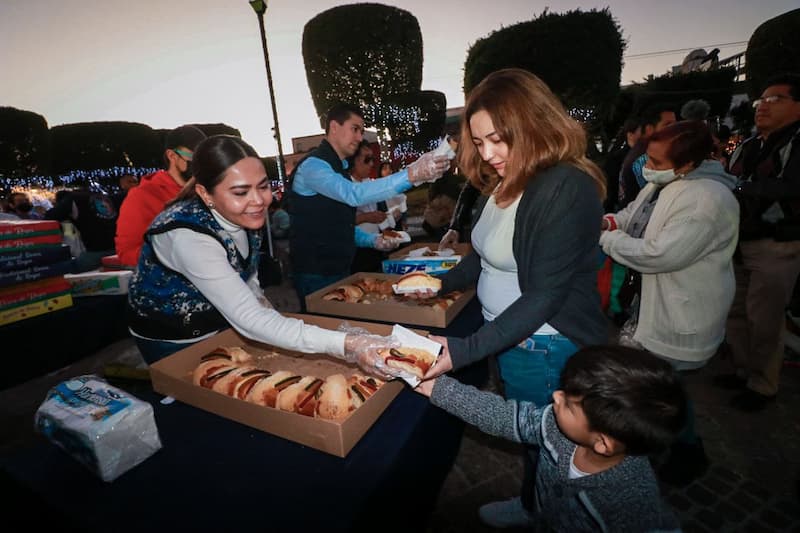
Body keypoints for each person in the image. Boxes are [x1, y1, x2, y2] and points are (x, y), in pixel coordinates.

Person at [418, 69, 608, 527]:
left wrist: (462, 350)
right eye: (479, 142)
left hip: (545, 342)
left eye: (497, 140)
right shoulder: (508, 178)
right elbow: (483, 254)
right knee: (536, 438)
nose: (487, 154)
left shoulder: (564, 185)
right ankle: (532, 503)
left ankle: (546, 514)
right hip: (512, 338)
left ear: (532, 123)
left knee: (547, 441)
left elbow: (544, 295)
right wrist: (438, 283)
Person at [127, 135, 399, 378]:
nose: (258, 200)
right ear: (204, 193)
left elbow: (246, 276)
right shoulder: (187, 236)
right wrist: (348, 343)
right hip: (173, 339)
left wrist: (261, 301)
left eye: (263, 186)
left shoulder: (244, 214)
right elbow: (250, 319)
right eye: (240, 192)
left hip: (221, 323)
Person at [415, 345, 687, 532]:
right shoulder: (552, 425)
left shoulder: (630, 501)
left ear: (603, 443)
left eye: (569, 403)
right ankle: (529, 511)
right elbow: (502, 416)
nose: (556, 397)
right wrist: (437, 388)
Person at [600, 120, 739, 485]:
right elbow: (634, 215)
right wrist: (610, 222)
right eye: (649, 158)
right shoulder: (666, 183)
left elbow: (660, 254)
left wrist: (607, 242)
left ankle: (685, 451)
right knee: (661, 385)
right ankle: (677, 445)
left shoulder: (707, 198)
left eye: (658, 162)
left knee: (659, 388)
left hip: (681, 308)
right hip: (650, 304)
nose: (649, 167)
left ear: (688, 164)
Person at [287, 102, 450, 304]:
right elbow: (353, 194)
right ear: (334, 127)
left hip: (339, 268)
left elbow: (336, 224)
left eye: (361, 131)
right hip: (315, 272)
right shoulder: (314, 166)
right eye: (354, 129)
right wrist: (411, 175)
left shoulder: (338, 170)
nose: (359, 137)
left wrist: (373, 241)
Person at [720, 73, 800, 412]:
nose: (762, 107)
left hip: (777, 244)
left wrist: (739, 189)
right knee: (736, 310)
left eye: (774, 99)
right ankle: (743, 370)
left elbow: (790, 189)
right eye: (759, 101)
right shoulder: (750, 145)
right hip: (739, 240)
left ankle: (763, 385)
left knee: (765, 317)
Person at [115, 125, 207, 266]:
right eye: (194, 155)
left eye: (204, 157)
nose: (200, 163)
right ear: (172, 156)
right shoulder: (142, 196)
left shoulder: (208, 190)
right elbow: (127, 253)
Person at [618, 103, 677, 209]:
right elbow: (653, 199)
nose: (674, 129)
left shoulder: (643, 150)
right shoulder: (645, 157)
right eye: (667, 125)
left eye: (675, 125)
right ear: (650, 129)